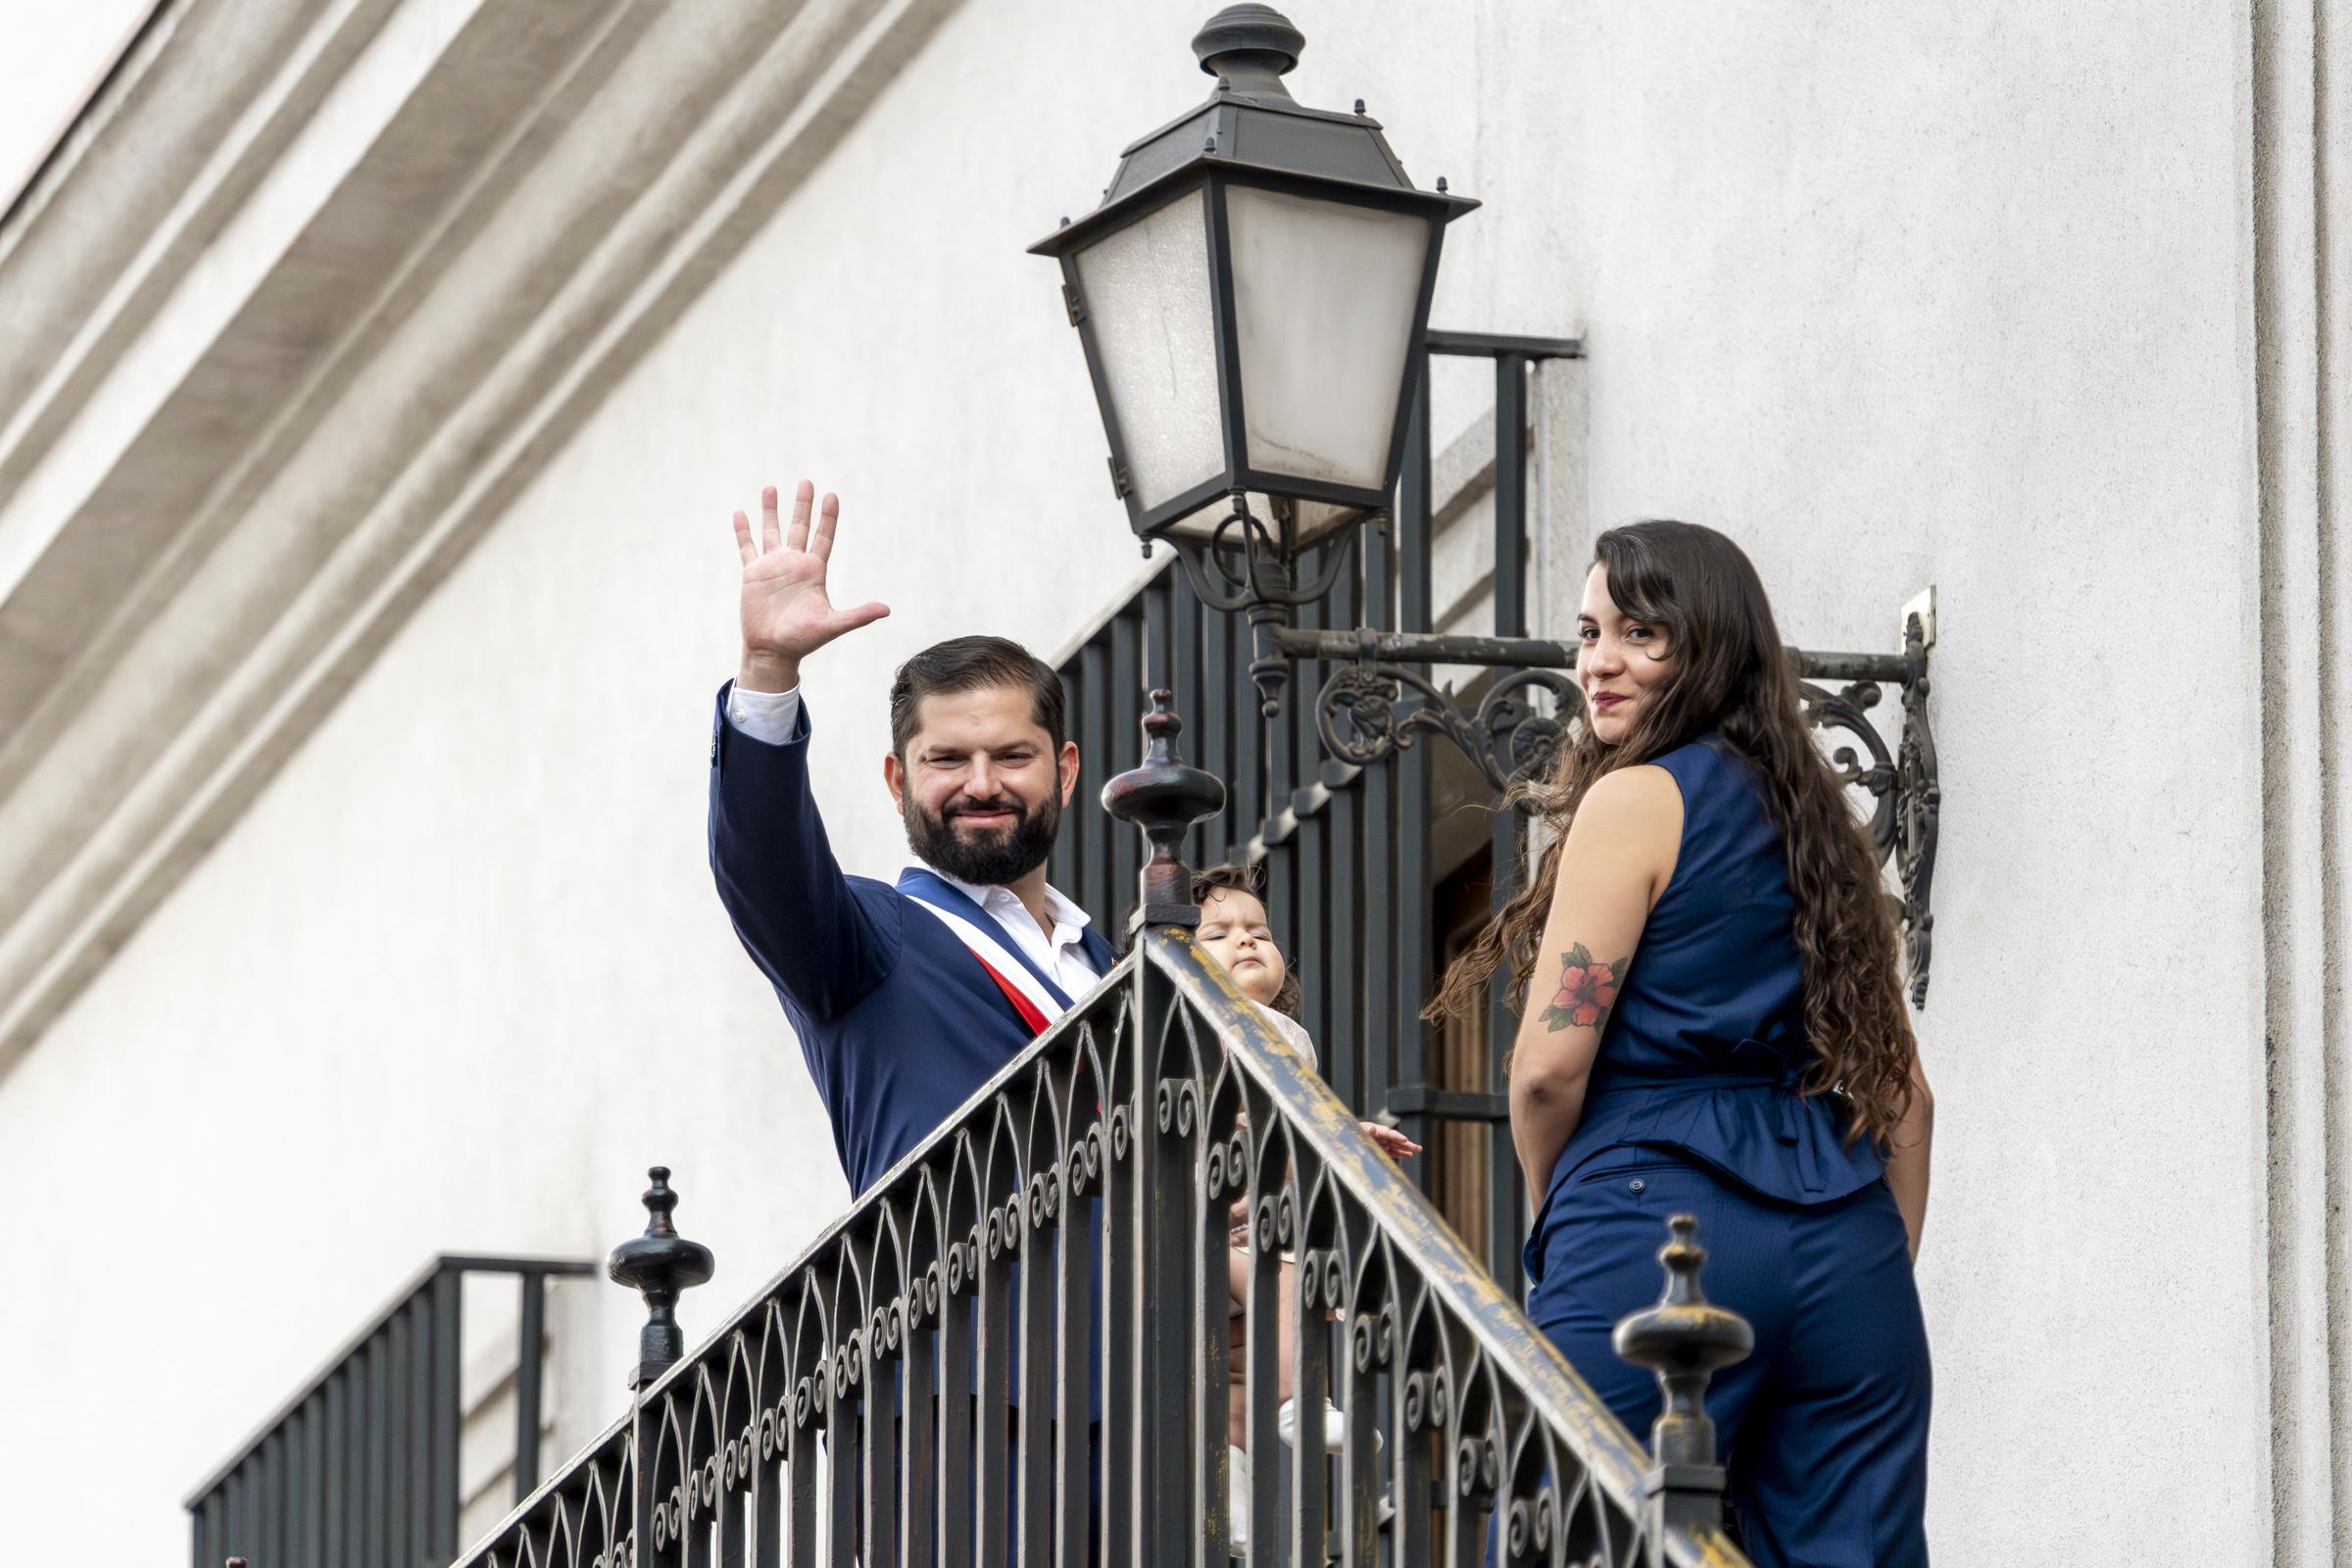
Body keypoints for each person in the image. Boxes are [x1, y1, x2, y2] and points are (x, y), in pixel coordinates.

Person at [1428, 519, 1934, 1568]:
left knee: (1567, 1531)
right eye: (1587, 632)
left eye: (1638, 633)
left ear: (1705, 647)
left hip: (1652, 1227)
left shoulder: (1635, 799)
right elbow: (1906, 1104)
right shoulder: (1822, 829)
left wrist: (1559, 1215)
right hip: (1849, 1251)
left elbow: (1548, 1068)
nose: (1597, 663)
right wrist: (1870, 1273)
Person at [709, 480, 1119, 1195]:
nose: (983, 784)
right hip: (974, 1306)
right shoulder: (867, 941)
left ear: (1065, 771)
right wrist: (769, 672)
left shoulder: (1108, 962)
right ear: (899, 782)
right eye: (948, 759)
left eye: (1014, 756)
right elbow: (763, 861)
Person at [1191, 863, 1419, 1551]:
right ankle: (1300, 1404)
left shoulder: (1289, 1035)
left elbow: (1299, 1129)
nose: (1247, 942)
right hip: (1211, 1231)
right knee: (1290, 1283)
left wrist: (1348, 1136)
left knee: (1235, 1372)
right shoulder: (1201, 1020)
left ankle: (1229, 1503)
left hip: (1244, 1231)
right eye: (1220, 934)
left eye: (1258, 931)